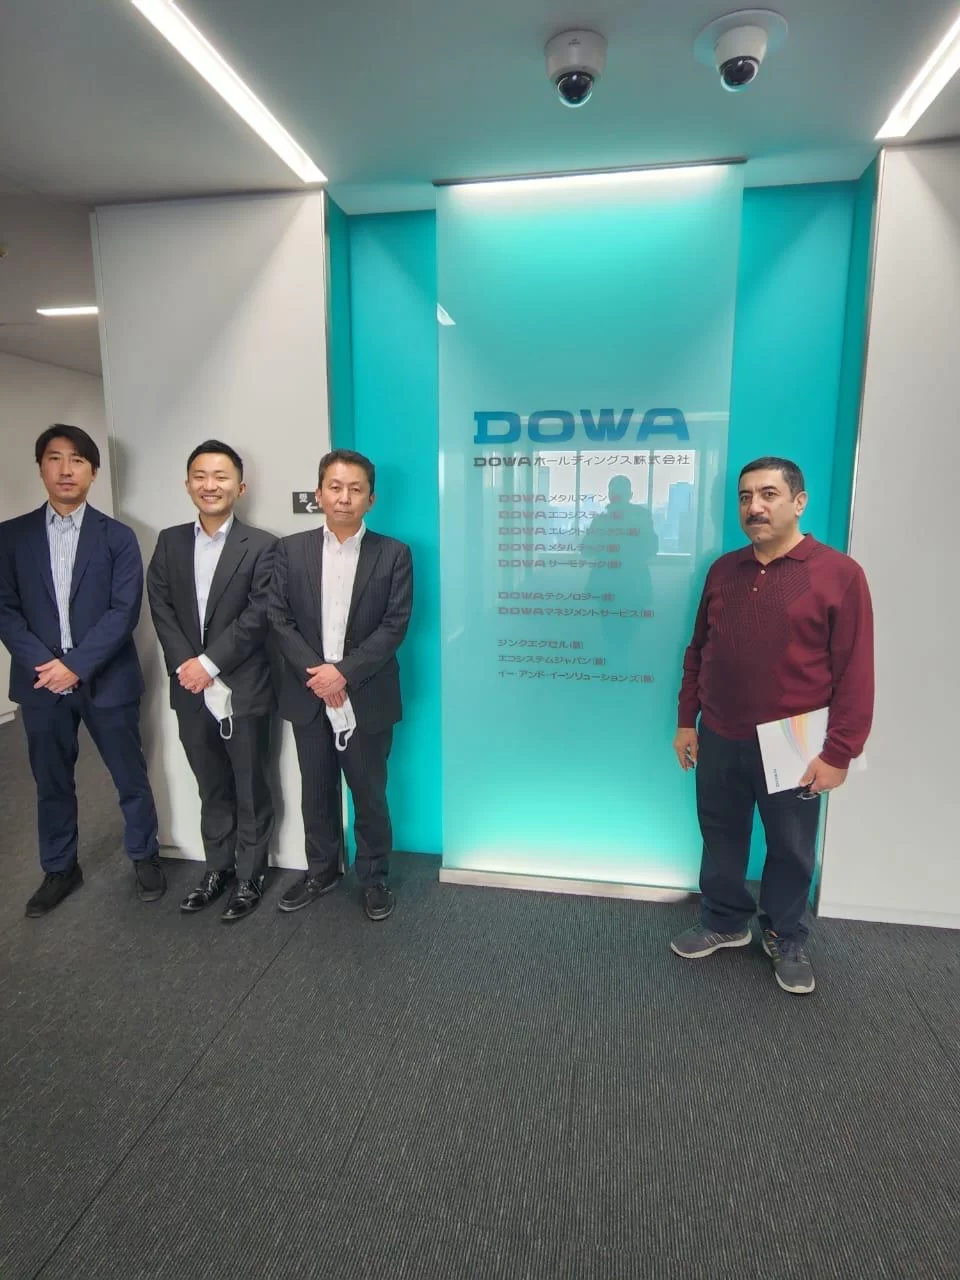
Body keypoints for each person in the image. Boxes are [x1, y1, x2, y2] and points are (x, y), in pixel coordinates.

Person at [670, 457, 874, 995]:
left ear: (798, 502)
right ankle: (724, 919)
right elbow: (698, 650)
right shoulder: (723, 570)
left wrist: (839, 752)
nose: (754, 507)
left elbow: (855, 670)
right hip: (720, 732)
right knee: (720, 832)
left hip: (794, 741)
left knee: (790, 845)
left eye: (768, 494)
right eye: (745, 497)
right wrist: (687, 721)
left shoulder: (839, 574)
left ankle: (785, 933)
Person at [0, 425, 164, 916]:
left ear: (93, 471)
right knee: (51, 780)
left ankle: (144, 854)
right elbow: (5, 610)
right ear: (41, 468)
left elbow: (123, 611)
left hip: (106, 676)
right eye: (55, 458)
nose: (66, 469)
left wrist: (74, 666)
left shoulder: (118, 537)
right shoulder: (11, 536)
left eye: (77, 460)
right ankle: (59, 867)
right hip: (40, 682)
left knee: (128, 773)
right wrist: (47, 666)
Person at [268, 449, 412, 922]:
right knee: (316, 790)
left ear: (371, 498)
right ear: (319, 494)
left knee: (368, 792)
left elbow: (394, 626)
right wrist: (319, 674)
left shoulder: (394, 554)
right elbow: (278, 619)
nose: (344, 497)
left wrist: (343, 673)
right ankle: (322, 871)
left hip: (366, 694)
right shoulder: (290, 550)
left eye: (355, 489)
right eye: (335, 487)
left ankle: (373, 877)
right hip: (308, 694)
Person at [147, 441, 277, 923]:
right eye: (200, 476)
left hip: (243, 686)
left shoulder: (262, 545)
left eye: (221, 476)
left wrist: (210, 663)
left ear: (240, 487)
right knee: (211, 784)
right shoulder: (169, 542)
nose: (210, 485)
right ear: (187, 485)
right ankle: (217, 868)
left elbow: (259, 614)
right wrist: (188, 665)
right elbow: (160, 606)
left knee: (251, 784)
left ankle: (250, 875)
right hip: (189, 687)